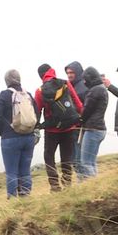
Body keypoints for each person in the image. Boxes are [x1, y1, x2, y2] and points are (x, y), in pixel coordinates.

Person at [35, 64, 83, 192]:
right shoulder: (65, 83)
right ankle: (67, 184)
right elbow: (78, 104)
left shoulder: (40, 91)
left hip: (52, 130)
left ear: (41, 76)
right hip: (69, 128)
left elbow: (37, 112)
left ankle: (55, 186)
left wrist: (36, 128)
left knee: (49, 156)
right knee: (66, 157)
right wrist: (80, 118)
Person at [0, 69, 39, 198]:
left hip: (10, 139)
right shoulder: (28, 95)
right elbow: (36, 113)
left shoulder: (4, 95)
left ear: (6, 81)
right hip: (28, 138)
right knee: (25, 170)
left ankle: (13, 201)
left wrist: (0, 132)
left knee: (11, 171)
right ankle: (26, 197)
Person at [78, 67, 108, 179]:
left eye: (85, 79)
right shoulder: (102, 88)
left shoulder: (94, 90)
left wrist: (80, 120)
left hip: (93, 129)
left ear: (90, 78)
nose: (84, 82)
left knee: (86, 162)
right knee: (91, 161)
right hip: (100, 128)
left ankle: (92, 186)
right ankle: (96, 185)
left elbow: (87, 110)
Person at [65, 61, 89, 178]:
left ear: (78, 72)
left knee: (79, 159)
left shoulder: (83, 88)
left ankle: (84, 183)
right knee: (75, 160)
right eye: (68, 72)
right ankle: (84, 182)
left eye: (72, 72)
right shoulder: (70, 87)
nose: (69, 75)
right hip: (73, 129)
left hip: (80, 129)